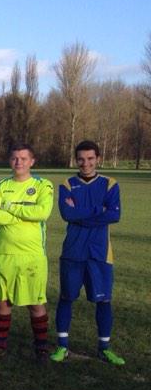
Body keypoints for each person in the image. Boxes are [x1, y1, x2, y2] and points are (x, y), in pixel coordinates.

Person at [51, 140, 125, 365]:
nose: (86, 163)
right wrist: (97, 210)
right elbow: (67, 214)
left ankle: (104, 348)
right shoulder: (67, 184)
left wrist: (81, 212)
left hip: (100, 253)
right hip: (73, 252)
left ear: (98, 159)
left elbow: (114, 215)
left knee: (104, 300)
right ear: (76, 160)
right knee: (66, 297)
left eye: (90, 159)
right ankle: (62, 346)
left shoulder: (110, 184)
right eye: (81, 159)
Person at [0, 143, 54, 361]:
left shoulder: (43, 185)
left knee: (35, 303)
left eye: (24, 158)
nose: (19, 162)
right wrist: (25, 213)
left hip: (32, 256)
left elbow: (42, 212)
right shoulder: (0, 186)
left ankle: (41, 348)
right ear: (9, 160)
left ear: (32, 161)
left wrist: (11, 208)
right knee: (2, 303)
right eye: (15, 158)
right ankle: (0, 348)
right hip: (4, 254)